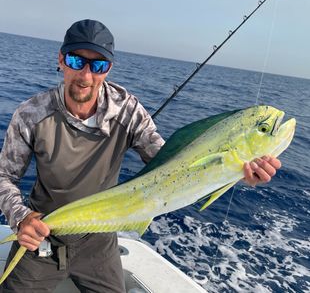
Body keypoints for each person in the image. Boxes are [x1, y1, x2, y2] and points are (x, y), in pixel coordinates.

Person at [0, 19, 281, 292]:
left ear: (109, 68)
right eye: (76, 61)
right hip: (42, 237)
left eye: (98, 65)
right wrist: (21, 217)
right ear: (61, 60)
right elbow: (5, 176)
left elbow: (168, 164)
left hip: (99, 241)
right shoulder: (31, 114)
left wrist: (233, 174)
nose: (86, 76)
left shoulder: (127, 110)